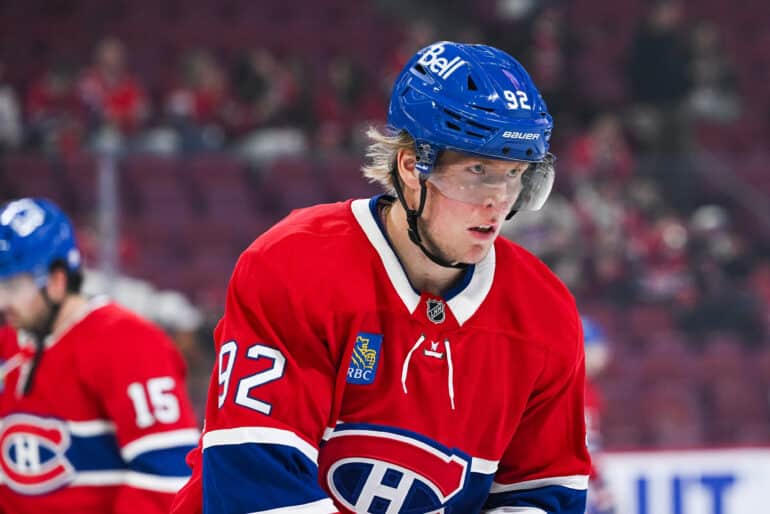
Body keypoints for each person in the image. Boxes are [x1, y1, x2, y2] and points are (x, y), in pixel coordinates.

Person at [172, 41, 590, 513]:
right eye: (478, 170)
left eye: (514, 174)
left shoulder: (544, 314)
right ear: (412, 166)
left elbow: (542, 494)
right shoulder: (294, 265)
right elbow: (256, 481)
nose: (498, 200)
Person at [0, 198, 200, 513]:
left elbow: (166, 475)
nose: (2, 301)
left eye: (13, 285)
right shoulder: (9, 343)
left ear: (57, 280)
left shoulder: (129, 344)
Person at [581, 316, 616, 514]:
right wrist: (600, 485)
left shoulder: (588, 389)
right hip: (574, 482)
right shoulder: (580, 391)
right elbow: (585, 446)